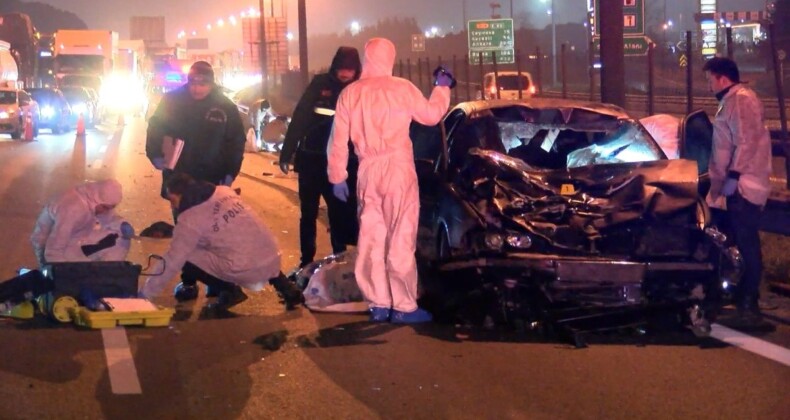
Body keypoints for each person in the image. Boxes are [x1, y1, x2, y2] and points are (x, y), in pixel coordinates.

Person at [327, 38, 453, 323]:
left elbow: (337, 140)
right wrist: (442, 87)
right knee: (401, 235)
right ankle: (404, 306)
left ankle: (378, 303)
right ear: (391, 58)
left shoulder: (351, 93)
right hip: (398, 168)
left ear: (366, 59)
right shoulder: (402, 88)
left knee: (372, 237)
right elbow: (432, 116)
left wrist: (338, 176)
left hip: (367, 170)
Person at [138, 173, 304, 310]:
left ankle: (229, 290)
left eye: (173, 201)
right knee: (248, 242)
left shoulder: (189, 219)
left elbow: (172, 260)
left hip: (245, 267)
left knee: (185, 257)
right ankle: (286, 287)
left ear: (182, 195)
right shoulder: (224, 192)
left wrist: (145, 293)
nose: (173, 207)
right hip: (272, 256)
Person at [702, 57, 772, 323]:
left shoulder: (741, 100)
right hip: (730, 188)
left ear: (722, 77)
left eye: (710, 79)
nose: (708, 86)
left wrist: (733, 177)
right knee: (726, 243)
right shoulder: (731, 100)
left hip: (742, 187)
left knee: (746, 243)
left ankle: (748, 304)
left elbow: (746, 141)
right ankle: (730, 297)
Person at [279, 46, 362, 268]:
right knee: (308, 214)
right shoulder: (320, 84)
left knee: (340, 216)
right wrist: (286, 153)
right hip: (311, 161)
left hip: (343, 165)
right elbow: (300, 117)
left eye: (350, 70)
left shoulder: (359, 89)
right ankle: (306, 262)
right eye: (342, 69)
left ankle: (340, 261)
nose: (345, 74)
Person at [146, 61, 247, 221]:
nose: (196, 88)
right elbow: (156, 128)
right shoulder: (173, 101)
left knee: (209, 223)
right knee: (183, 220)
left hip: (212, 176)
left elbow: (236, 142)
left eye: (202, 84)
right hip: (179, 174)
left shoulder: (225, 107)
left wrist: (230, 172)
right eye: (193, 82)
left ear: (211, 83)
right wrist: (155, 154)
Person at [30, 179, 133, 267]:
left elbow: (109, 218)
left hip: (77, 237)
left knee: (121, 238)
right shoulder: (72, 210)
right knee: (80, 274)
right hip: (53, 246)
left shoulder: (92, 199)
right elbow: (53, 250)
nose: (107, 211)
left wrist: (121, 224)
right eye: (105, 207)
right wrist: (66, 272)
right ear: (97, 199)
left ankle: (108, 271)